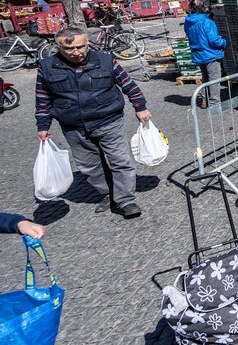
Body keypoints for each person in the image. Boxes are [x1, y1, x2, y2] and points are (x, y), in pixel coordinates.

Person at [35, 27, 151, 219]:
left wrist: (140, 107)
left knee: (120, 161)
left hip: (109, 120)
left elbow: (128, 84)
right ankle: (108, 193)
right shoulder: (47, 67)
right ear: (59, 48)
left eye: (81, 47)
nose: (76, 52)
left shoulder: (105, 60)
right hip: (73, 126)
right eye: (69, 49)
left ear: (87, 43)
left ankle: (126, 200)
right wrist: (43, 126)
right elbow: (42, 99)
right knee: (89, 166)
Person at [183, 0, 227, 109]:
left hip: (198, 52)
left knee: (205, 78)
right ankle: (214, 103)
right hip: (210, 53)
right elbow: (214, 40)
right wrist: (224, 42)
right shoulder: (207, 22)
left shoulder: (188, 22)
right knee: (214, 79)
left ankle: (205, 99)